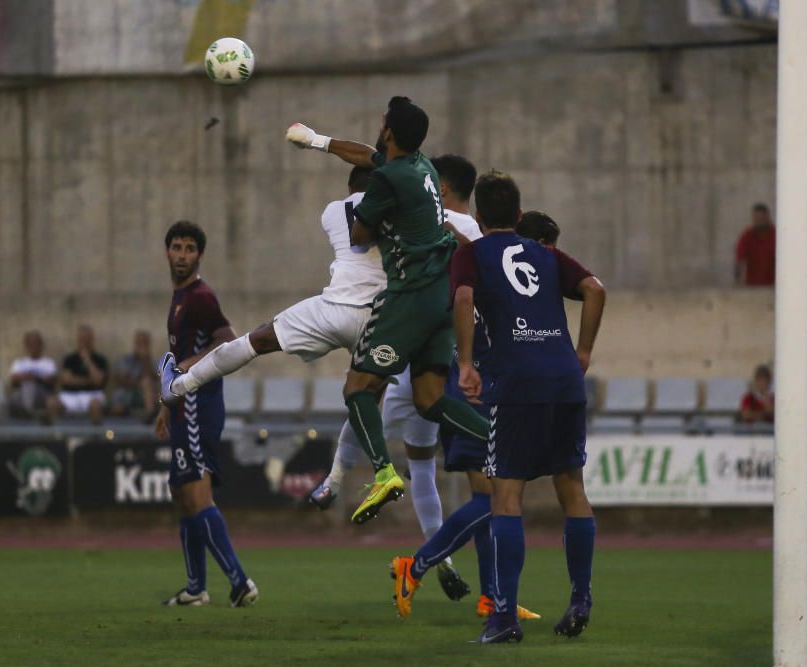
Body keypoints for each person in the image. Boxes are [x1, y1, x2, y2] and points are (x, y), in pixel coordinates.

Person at [158, 165, 469, 591]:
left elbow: (358, 232)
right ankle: (375, 474)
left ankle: (181, 384)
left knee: (255, 342)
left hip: (334, 309)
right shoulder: (418, 211)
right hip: (386, 319)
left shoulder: (331, 211)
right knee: (370, 396)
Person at [396, 171, 605, 644]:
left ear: (481, 215)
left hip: (516, 382)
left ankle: (503, 616)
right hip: (564, 379)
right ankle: (581, 599)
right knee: (572, 487)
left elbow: (465, 296)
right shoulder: (547, 254)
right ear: (517, 213)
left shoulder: (471, 254)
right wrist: (585, 351)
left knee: (505, 496)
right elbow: (595, 288)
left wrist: (466, 363)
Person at [286, 96, 491, 524]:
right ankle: (499, 440)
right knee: (430, 403)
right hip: (441, 309)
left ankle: (378, 474)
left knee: (359, 389)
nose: (379, 126)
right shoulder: (423, 169)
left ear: (391, 131)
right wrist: (317, 141)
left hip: (410, 301)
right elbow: (368, 155)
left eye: (383, 122)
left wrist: (376, 213)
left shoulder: (387, 182)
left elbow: (360, 233)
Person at [389, 207, 567, 622]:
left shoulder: (494, 272)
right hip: (476, 396)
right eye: (546, 251)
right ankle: (414, 566)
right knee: (494, 500)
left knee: (489, 501)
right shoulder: (496, 270)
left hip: (482, 392)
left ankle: (492, 596)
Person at [155, 221, 258, 608]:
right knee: (180, 492)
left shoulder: (200, 296)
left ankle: (239, 581)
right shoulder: (180, 297)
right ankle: (196, 588)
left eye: (189, 248)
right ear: (167, 252)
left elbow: (228, 339)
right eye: (176, 247)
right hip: (184, 406)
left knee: (197, 493)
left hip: (199, 405)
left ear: (199, 255)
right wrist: (167, 406)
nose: (182, 255)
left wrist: (188, 371)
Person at [46, 325, 108, 425]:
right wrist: (89, 380)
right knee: (52, 403)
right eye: (82, 338)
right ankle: (56, 436)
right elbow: (67, 380)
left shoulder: (100, 359)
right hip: (70, 395)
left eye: (87, 338)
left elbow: (98, 381)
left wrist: (87, 360)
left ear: (91, 339)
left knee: (96, 405)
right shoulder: (70, 359)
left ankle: (96, 437)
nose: (84, 341)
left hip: (92, 395)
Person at [5, 331, 57, 420]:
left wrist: (33, 377)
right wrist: (30, 377)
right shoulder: (19, 363)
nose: (33, 347)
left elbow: (51, 379)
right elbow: (14, 378)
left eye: (36, 343)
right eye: (30, 344)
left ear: (41, 345)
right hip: (21, 394)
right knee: (3, 404)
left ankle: (28, 414)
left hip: (42, 393)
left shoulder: (48, 362)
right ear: (26, 346)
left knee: (30, 385)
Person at [111, 330, 158, 420]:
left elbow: (155, 379)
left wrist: (145, 360)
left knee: (146, 382)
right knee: (118, 403)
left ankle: (150, 413)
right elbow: (119, 379)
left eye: (144, 343)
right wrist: (137, 383)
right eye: (139, 343)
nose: (141, 346)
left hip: (144, 395)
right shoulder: (126, 360)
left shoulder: (152, 361)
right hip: (126, 392)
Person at [734, 203, 776, 287]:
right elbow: (739, 260)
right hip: (753, 287)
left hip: (774, 287)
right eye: (756, 218)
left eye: (761, 218)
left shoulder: (777, 235)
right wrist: (737, 281)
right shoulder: (748, 235)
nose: (758, 221)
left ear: (767, 217)